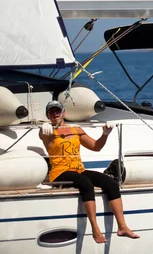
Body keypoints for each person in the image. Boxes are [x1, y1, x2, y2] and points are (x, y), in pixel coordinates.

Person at [39, 101, 139, 244]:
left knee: (110, 182)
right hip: (59, 172)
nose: (55, 113)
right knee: (85, 183)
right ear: (48, 116)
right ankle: (95, 229)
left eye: (58, 110)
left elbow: (96, 147)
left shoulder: (76, 130)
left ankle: (122, 227)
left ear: (64, 113)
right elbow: (42, 134)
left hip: (78, 169)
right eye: (51, 112)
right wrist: (44, 127)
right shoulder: (48, 132)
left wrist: (105, 134)